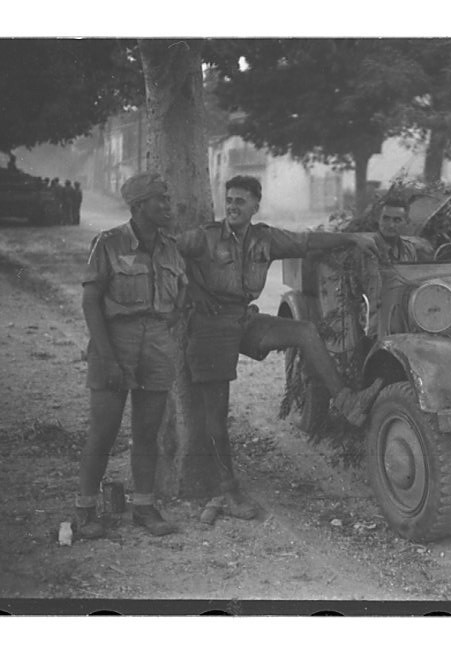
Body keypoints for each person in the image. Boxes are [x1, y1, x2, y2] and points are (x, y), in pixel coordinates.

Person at [179, 175, 385, 520]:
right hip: (209, 328)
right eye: (229, 200)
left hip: (243, 320)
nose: (232, 206)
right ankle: (227, 491)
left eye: (240, 201)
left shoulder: (265, 238)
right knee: (216, 414)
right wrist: (192, 293)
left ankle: (346, 401)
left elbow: (307, 242)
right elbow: (167, 251)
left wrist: (352, 237)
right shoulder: (204, 237)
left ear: (255, 206)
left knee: (305, 331)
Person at [74, 172, 188, 540]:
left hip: (156, 344)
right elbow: (90, 302)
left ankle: (144, 508)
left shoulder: (171, 248)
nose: (168, 206)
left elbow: (180, 296)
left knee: (147, 432)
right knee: (103, 433)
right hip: (114, 341)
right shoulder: (109, 243)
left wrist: (168, 320)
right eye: (160, 200)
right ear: (139, 206)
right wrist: (108, 358)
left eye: (167, 199)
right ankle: (85, 511)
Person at [372, 197, 418, 263]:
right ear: (378, 219)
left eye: (397, 220)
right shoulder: (369, 248)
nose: (391, 225)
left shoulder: (409, 249)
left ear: (407, 222)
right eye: (386, 219)